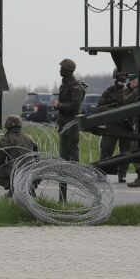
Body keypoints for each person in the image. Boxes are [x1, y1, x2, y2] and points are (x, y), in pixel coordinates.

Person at [55, 58, 87, 201]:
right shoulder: (64, 85)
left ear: (67, 70)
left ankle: (74, 170)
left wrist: (59, 105)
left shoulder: (75, 87)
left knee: (72, 147)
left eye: (62, 68)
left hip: (71, 121)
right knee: (64, 149)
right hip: (64, 121)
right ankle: (66, 168)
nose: (60, 70)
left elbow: (75, 106)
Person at [96, 72, 130, 182]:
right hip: (111, 125)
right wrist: (113, 111)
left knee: (125, 152)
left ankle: (122, 173)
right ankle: (101, 174)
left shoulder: (130, 91)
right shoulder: (109, 91)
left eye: (124, 76)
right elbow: (100, 107)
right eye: (120, 76)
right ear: (116, 77)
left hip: (126, 126)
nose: (122, 78)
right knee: (106, 150)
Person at [0, 114, 37, 190]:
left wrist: (3, 165)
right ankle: (32, 184)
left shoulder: (6, 139)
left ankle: (11, 187)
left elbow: (0, 159)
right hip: (31, 169)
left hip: (16, 169)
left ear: (7, 125)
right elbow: (36, 154)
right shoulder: (28, 137)